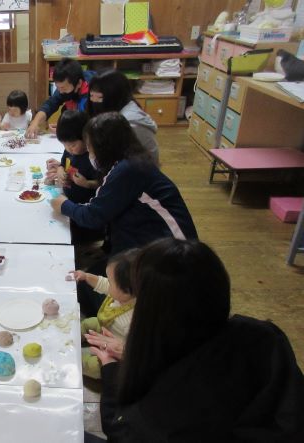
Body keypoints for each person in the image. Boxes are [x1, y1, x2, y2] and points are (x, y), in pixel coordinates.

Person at [90, 238, 304, 442]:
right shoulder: (262, 334)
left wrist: (111, 369)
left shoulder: (169, 406)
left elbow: (120, 430)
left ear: (149, 312)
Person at [50, 112, 197, 258]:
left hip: (175, 256)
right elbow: (113, 212)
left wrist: (63, 205)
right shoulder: (126, 161)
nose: (89, 154)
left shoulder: (127, 170)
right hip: (148, 241)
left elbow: (94, 215)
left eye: (90, 149)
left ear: (104, 148)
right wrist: (107, 249)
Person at [72, 248, 138, 379]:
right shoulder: (123, 293)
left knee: (94, 366)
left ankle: (77, 362)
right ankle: (73, 337)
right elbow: (103, 283)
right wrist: (86, 276)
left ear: (125, 292)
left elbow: (132, 351)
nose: (108, 283)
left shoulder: (132, 320)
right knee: (89, 323)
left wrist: (115, 351)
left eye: (111, 282)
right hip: (106, 326)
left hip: (115, 350)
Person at [47, 110, 102, 244]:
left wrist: (86, 183)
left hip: (84, 210)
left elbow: (101, 183)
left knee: (75, 238)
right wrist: (60, 170)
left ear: (86, 138)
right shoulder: (69, 151)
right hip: (69, 201)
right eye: (64, 145)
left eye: (73, 145)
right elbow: (63, 164)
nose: (69, 149)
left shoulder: (93, 158)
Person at [87, 69, 159, 163]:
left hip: (136, 167)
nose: (94, 101)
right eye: (91, 96)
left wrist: (91, 154)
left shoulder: (129, 122)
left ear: (114, 96)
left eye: (100, 97)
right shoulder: (117, 108)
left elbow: (110, 159)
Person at [26, 57, 94, 138]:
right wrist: (35, 122)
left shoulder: (94, 93)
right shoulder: (64, 88)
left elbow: (94, 125)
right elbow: (50, 104)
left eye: (63, 88)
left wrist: (68, 130)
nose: (60, 92)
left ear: (79, 83)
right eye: (58, 88)